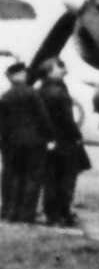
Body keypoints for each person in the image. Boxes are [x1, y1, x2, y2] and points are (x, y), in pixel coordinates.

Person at [37, 58, 89, 226]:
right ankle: (64, 213)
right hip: (65, 142)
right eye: (59, 67)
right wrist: (77, 135)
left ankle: (51, 214)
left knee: (50, 179)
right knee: (67, 179)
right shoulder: (59, 92)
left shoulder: (40, 91)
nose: (63, 69)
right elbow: (67, 119)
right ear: (49, 71)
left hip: (47, 142)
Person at [0, 61, 53, 223]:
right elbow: (43, 117)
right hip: (34, 142)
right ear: (19, 76)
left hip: (13, 143)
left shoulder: (5, 97)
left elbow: (2, 123)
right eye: (23, 72)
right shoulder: (32, 93)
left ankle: (11, 212)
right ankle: (26, 215)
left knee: (13, 176)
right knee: (32, 178)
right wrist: (50, 137)